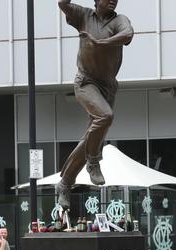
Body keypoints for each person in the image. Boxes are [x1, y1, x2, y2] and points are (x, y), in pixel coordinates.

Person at [56, 0, 134, 209]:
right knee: (105, 116)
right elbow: (62, 4)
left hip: (107, 87)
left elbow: (127, 34)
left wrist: (102, 43)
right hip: (85, 82)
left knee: (91, 136)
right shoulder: (84, 15)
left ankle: (64, 184)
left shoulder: (119, 20)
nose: (113, 1)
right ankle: (93, 161)